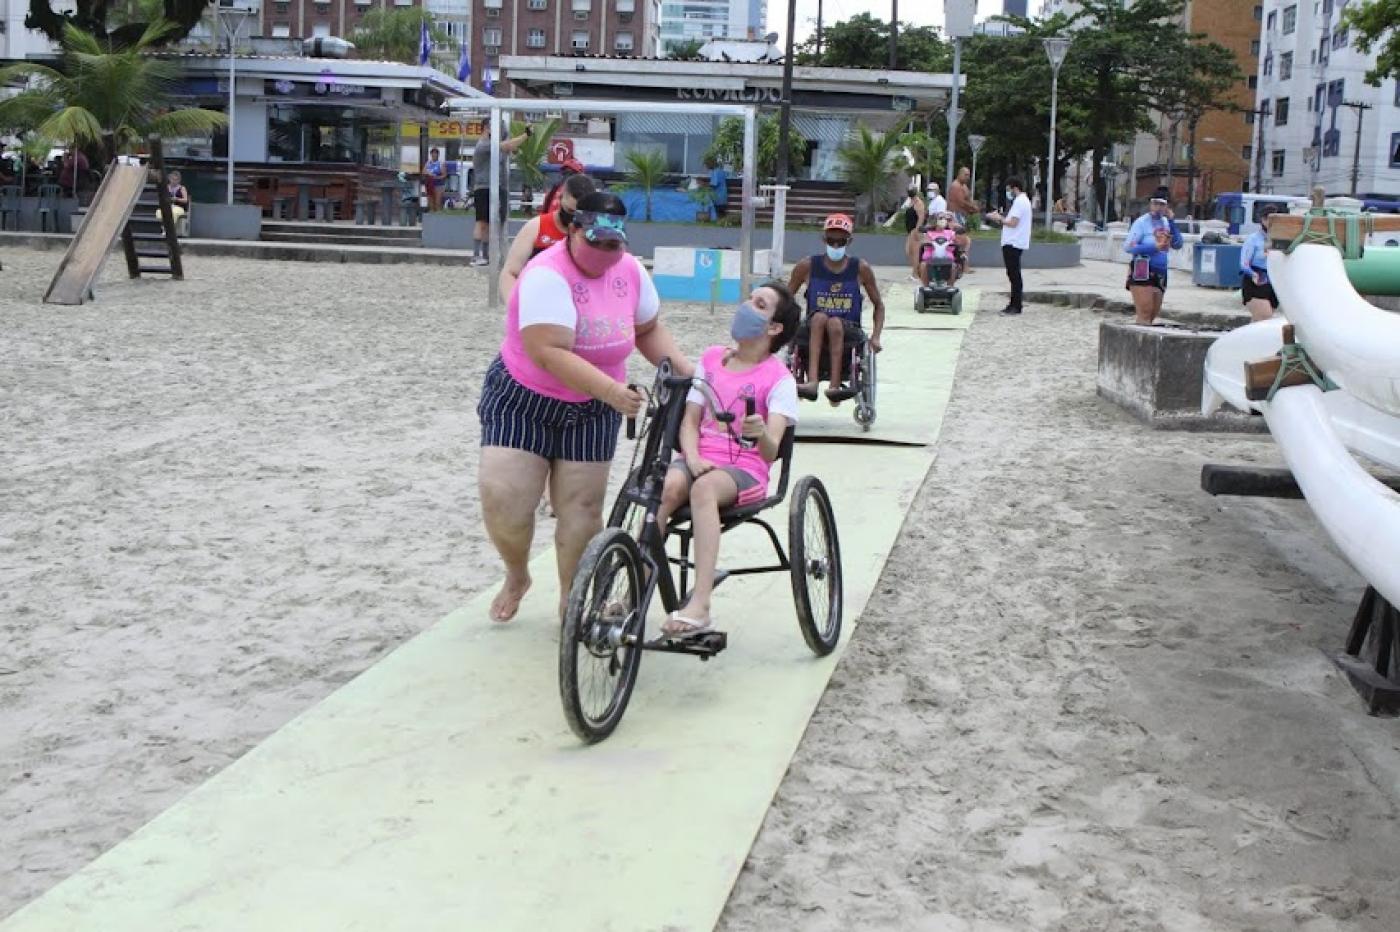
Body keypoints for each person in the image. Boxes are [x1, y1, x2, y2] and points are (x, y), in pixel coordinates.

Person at [476, 191, 692, 623]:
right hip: (524, 398)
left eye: (616, 244)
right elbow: (549, 353)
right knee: (507, 501)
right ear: (573, 231)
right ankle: (517, 575)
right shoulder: (545, 275)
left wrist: (688, 374)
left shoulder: (628, 271)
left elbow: (648, 329)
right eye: (598, 242)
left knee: (581, 508)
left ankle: (572, 604)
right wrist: (613, 394)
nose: (607, 253)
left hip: (591, 410)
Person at [653, 282, 803, 637]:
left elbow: (771, 451)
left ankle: (700, 604)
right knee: (667, 485)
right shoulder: (710, 359)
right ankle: (633, 586)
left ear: (774, 328)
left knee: (704, 488)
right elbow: (690, 421)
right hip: (698, 459)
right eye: (750, 299)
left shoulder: (779, 380)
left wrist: (761, 432)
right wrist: (690, 457)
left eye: (759, 304)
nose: (746, 306)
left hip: (745, 471)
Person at [787, 213, 885, 402]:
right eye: (831, 241)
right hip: (814, 326)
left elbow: (878, 305)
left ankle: (835, 385)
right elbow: (785, 298)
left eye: (841, 242)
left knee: (833, 323)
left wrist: (876, 336)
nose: (836, 246)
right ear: (824, 239)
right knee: (820, 318)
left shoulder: (860, 268)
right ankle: (812, 382)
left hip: (848, 328)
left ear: (849, 241)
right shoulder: (807, 266)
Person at [499, 173, 596, 297]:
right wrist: (515, 307)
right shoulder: (537, 227)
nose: (574, 218)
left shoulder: (597, 233)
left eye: (580, 214)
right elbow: (509, 272)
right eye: (570, 211)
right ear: (560, 199)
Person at [471, 123, 532, 267]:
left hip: (495, 188)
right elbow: (507, 145)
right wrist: (526, 135)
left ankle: (485, 256)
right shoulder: (483, 145)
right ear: (487, 128)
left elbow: (511, 147)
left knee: (490, 223)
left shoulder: (495, 147)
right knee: (481, 223)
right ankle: (475, 256)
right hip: (483, 188)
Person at [1123, 188, 1184, 325]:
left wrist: (1172, 222)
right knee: (1145, 311)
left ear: (1167, 206)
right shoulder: (1141, 223)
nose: (1157, 208)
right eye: (1155, 204)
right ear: (1150, 204)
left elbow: (1178, 244)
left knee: (1153, 314)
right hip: (1142, 269)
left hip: (1161, 270)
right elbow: (1128, 247)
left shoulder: (1166, 222)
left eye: (1161, 204)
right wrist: (1153, 247)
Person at [985, 176, 1033, 316]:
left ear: (1014, 188)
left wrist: (998, 218)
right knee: (1012, 274)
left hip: (1014, 242)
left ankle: (1016, 305)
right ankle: (1014, 303)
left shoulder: (1020, 202)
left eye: (1008, 189)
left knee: (1014, 275)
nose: (1008, 192)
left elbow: (1013, 223)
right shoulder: (1021, 201)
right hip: (1013, 242)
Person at [1240, 206, 1280, 323]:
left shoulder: (1280, 240)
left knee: (1258, 322)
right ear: (1263, 220)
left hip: (1274, 282)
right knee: (1264, 319)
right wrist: (1253, 274)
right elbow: (1244, 263)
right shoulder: (1253, 239)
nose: (1272, 223)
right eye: (1268, 219)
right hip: (1257, 281)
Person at [883, 185, 927, 281]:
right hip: (910, 230)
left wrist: (917, 230)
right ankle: (917, 271)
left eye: (911, 191)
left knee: (915, 252)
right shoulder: (911, 202)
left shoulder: (919, 203)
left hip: (915, 231)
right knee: (908, 251)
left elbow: (921, 217)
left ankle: (915, 274)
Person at [948, 166, 979, 271]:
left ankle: (962, 265)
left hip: (962, 216)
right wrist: (973, 208)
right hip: (956, 216)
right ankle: (963, 266)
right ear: (959, 174)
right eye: (965, 175)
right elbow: (961, 202)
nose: (967, 177)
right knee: (963, 241)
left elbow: (968, 199)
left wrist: (973, 206)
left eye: (969, 175)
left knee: (962, 241)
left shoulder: (963, 186)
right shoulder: (955, 186)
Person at [919, 212, 961, 288]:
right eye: (941, 218)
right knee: (923, 265)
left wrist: (952, 243)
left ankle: (950, 286)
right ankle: (926, 286)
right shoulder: (929, 233)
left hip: (947, 257)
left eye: (945, 219)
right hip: (931, 257)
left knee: (954, 266)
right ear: (935, 221)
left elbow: (956, 243)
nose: (943, 220)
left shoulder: (951, 233)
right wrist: (928, 243)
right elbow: (925, 242)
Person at [423, 147, 446, 211]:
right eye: (433, 153)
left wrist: (436, 177)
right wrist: (428, 173)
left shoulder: (441, 163)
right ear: (431, 154)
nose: (434, 155)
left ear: (438, 155)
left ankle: (438, 216)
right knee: (430, 202)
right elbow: (423, 171)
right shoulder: (428, 163)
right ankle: (432, 215)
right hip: (430, 184)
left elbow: (444, 175)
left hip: (438, 185)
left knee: (437, 202)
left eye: (436, 153)